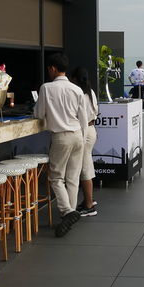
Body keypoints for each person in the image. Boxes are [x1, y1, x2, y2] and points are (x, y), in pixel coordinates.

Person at [35, 52, 88, 237]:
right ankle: (70, 215)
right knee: (73, 178)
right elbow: (84, 119)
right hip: (78, 135)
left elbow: (39, 114)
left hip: (61, 137)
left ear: (52, 68)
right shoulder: (77, 89)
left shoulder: (46, 88)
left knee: (56, 177)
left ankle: (67, 212)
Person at [69, 67, 99, 217]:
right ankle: (89, 200)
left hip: (84, 131)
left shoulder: (78, 93)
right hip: (91, 130)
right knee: (86, 166)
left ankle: (89, 205)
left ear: (74, 79)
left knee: (85, 168)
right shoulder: (90, 91)